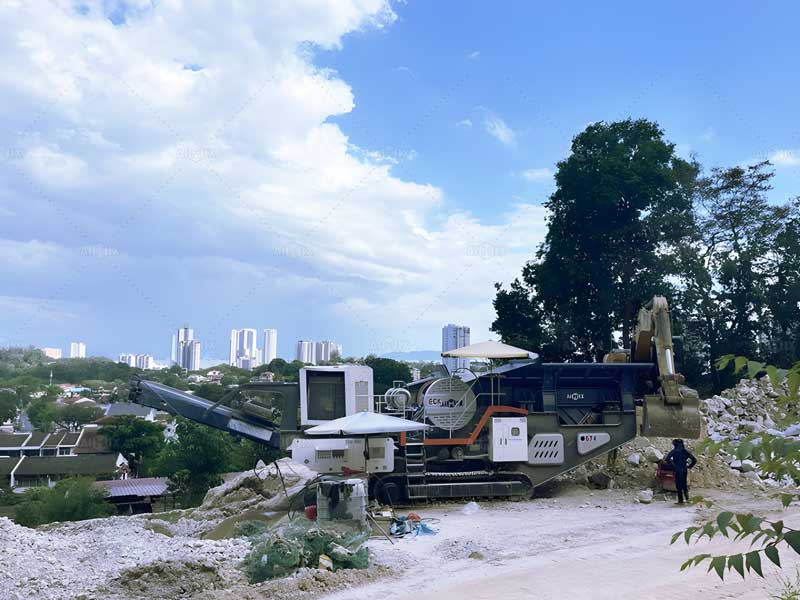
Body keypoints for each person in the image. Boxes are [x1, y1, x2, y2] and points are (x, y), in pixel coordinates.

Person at [665, 438, 697, 505]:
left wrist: (673, 464)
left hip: (677, 470)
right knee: (684, 484)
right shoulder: (685, 451)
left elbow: (667, 459)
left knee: (678, 486)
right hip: (684, 469)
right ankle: (687, 499)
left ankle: (680, 500)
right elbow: (694, 460)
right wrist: (689, 466)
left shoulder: (674, 451)